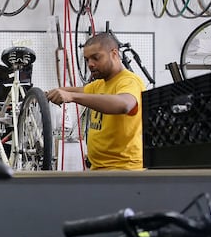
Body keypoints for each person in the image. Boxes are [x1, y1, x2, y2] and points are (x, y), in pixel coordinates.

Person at [46, 32, 145, 170]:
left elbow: (125, 104)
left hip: (124, 170)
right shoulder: (99, 85)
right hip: (99, 169)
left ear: (114, 54)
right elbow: (71, 91)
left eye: (96, 58)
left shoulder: (129, 81)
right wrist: (46, 94)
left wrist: (72, 97)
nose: (90, 64)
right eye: (87, 60)